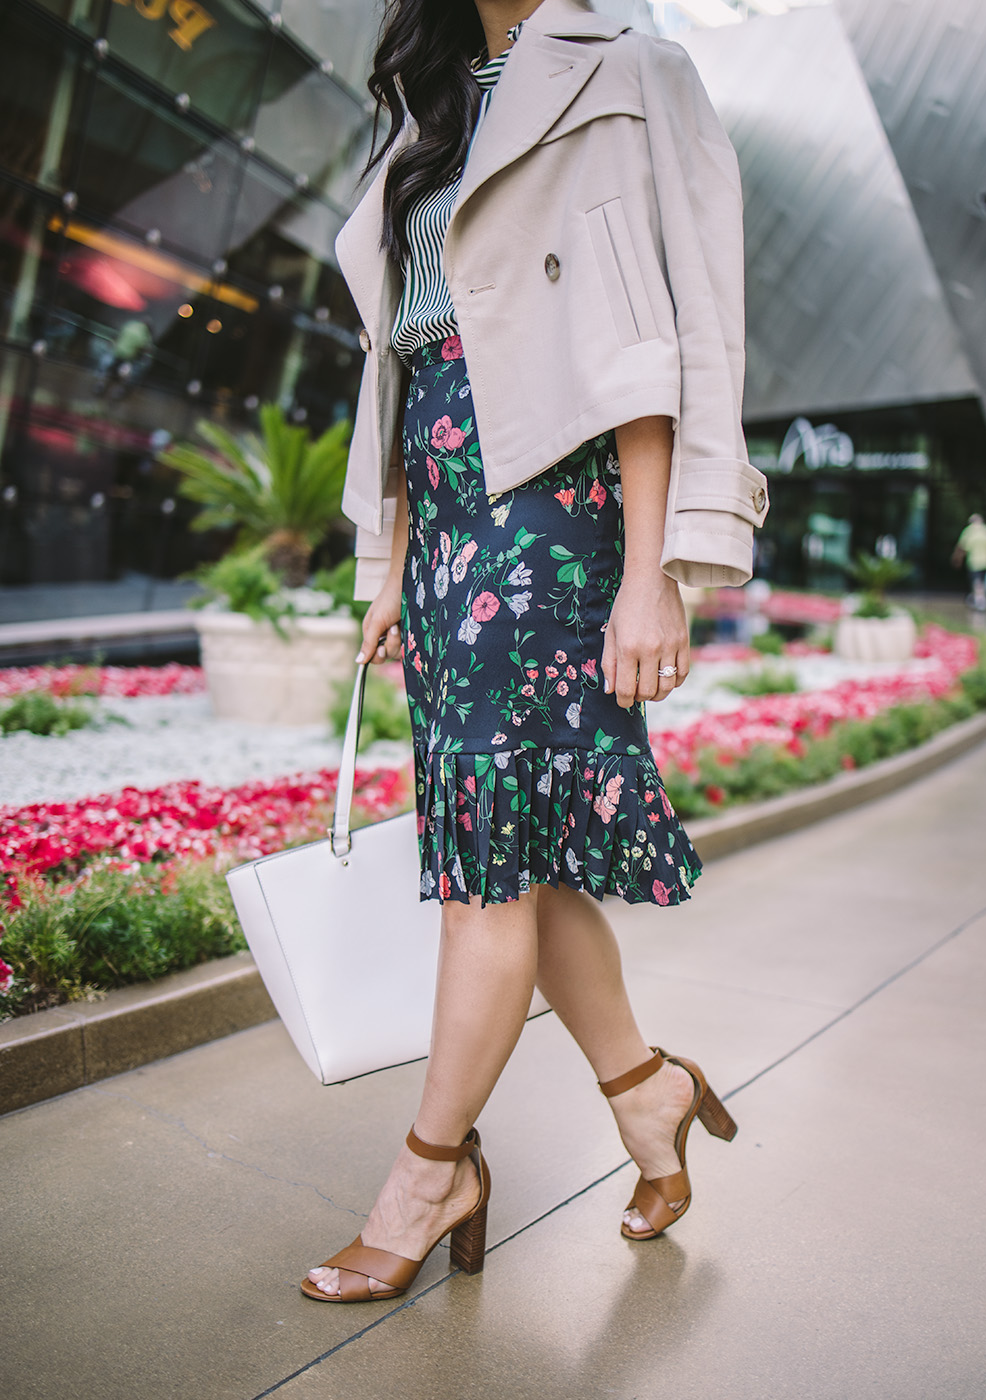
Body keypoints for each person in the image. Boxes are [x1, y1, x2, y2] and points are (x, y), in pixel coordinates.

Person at [301, 0, 769, 1304]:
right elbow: (396, 369)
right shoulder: (430, 108)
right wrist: (390, 564)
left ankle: (429, 1171)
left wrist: (652, 574)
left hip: (555, 518)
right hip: (444, 530)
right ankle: (647, 1091)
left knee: (486, 880)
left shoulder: (635, 74)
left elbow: (663, 339)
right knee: (518, 854)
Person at [952, 513, 986, 612]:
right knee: (983, 581)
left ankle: (980, 601)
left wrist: (957, 560)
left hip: (974, 562)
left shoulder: (969, 531)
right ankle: (979, 598)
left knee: (977, 581)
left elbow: (961, 547)